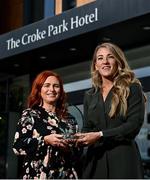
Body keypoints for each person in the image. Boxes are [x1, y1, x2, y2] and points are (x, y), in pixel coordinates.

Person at [75, 42, 146, 179]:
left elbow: (133, 126)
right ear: (96, 65)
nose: (105, 62)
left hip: (123, 159)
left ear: (118, 61)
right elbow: (88, 127)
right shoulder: (90, 95)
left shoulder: (133, 88)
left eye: (110, 57)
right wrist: (76, 139)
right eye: (100, 58)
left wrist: (100, 135)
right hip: (95, 159)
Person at [13, 70, 80, 179]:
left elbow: (77, 152)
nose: (52, 90)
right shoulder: (30, 114)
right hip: (38, 175)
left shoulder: (69, 118)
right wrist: (45, 140)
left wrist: (69, 147)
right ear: (39, 90)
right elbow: (17, 146)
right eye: (47, 85)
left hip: (65, 175)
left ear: (61, 90)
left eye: (56, 86)